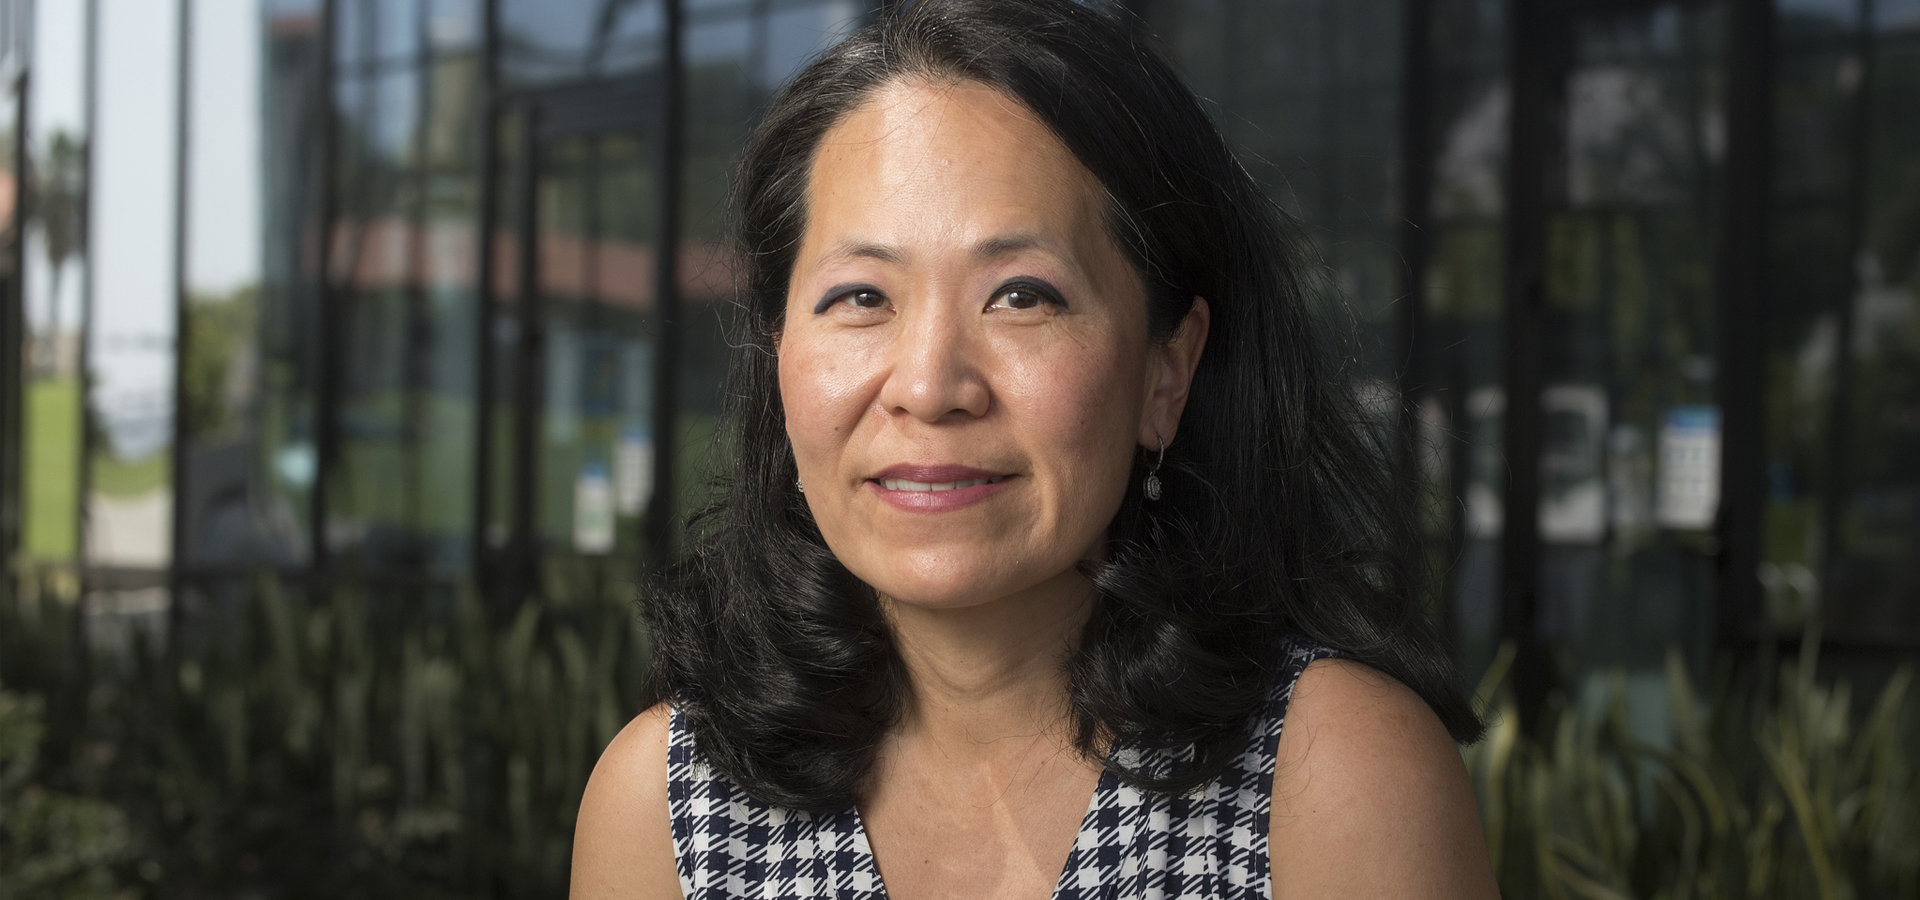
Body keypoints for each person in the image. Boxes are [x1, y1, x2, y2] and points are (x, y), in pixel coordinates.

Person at [572, 1, 1499, 897]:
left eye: (1022, 296)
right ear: (780, 361)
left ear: (1166, 371)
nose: (930, 387)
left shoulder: (1329, 776)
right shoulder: (667, 802)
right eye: (860, 297)